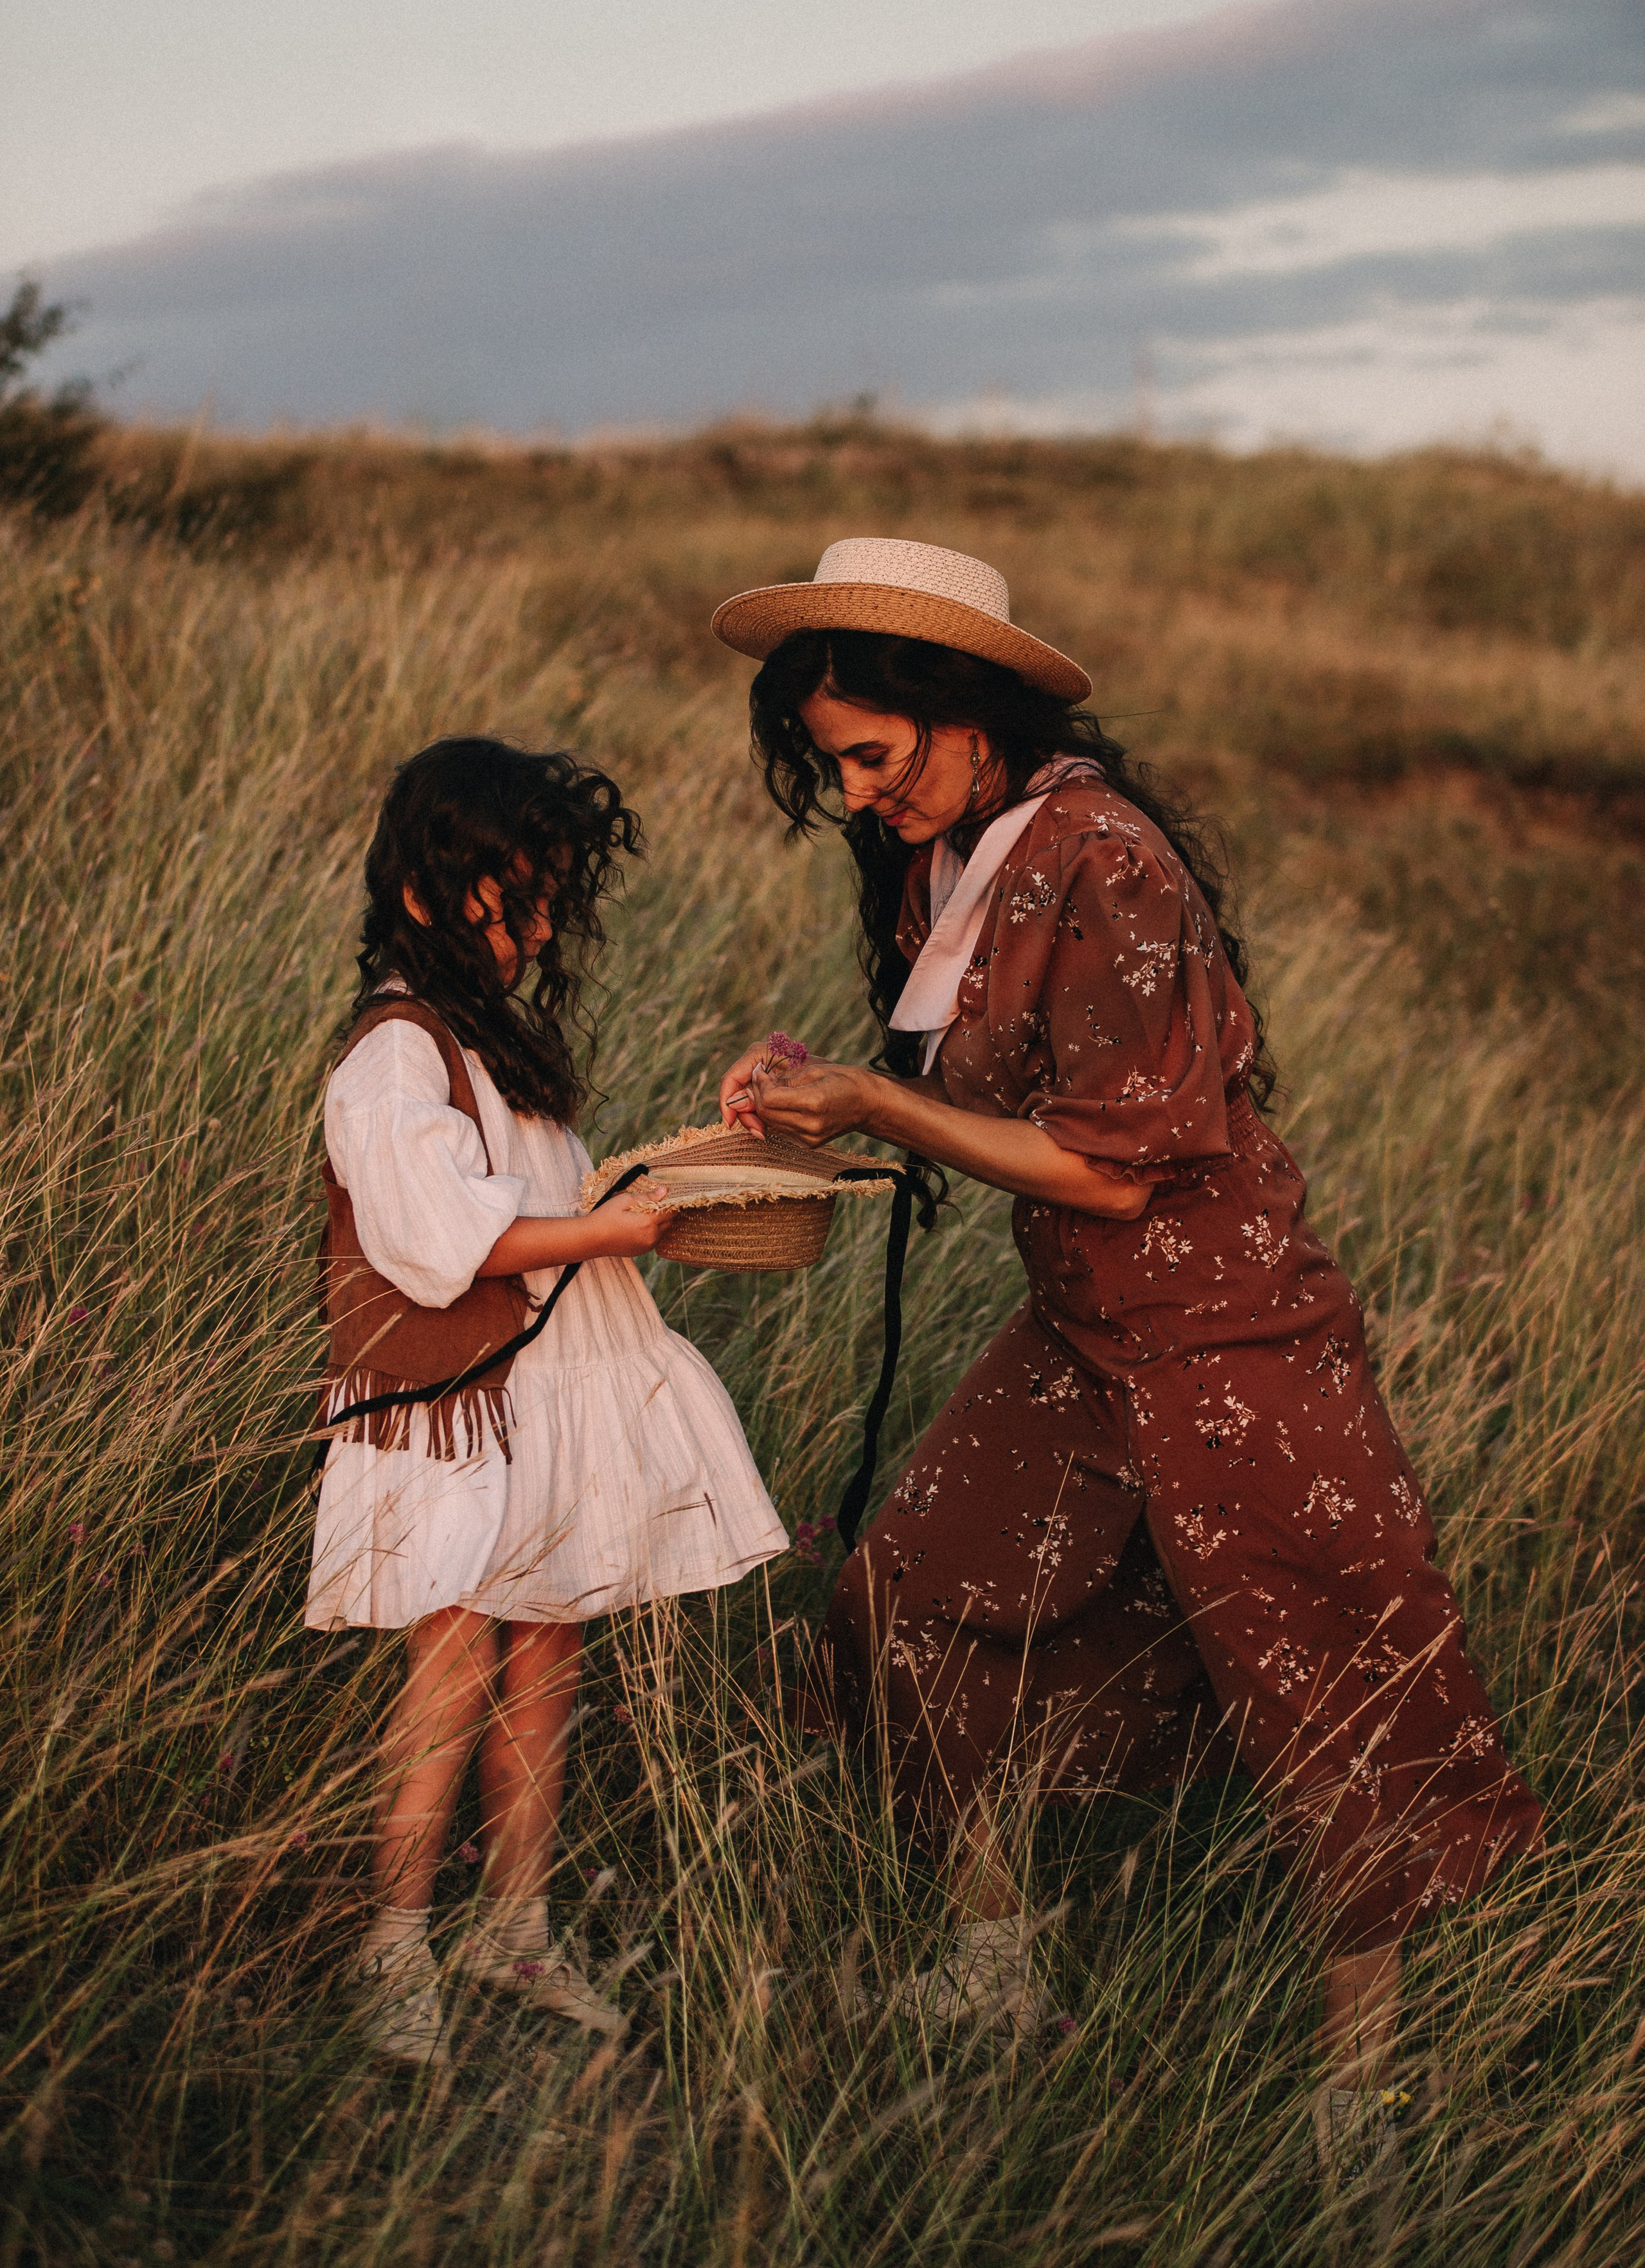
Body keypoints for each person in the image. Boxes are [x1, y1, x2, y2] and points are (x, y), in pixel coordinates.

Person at [711, 537, 1542, 2154]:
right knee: (910, 1581)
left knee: (1318, 1668)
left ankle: (1351, 2094)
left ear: (965, 713)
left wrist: (882, 1104)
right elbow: (984, 1115)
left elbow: (1111, 1159)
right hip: (1091, 1324)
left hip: (1228, 1329)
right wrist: (825, 1088)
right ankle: (995, 1962)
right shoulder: (945, 857)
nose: (861, 792)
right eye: (835, 769)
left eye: (873, 756)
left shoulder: (1104, 855)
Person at [311, 735, 786, 2068]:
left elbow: (540, 1201)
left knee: (547, 1657)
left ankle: (512, 1929)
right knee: (453, 1668)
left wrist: (677, 1169)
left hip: (552, 1390)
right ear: (424, 891)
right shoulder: (394, 1054)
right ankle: (392, 1941)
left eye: (543, 903)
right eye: (508, 899)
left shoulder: (492, 1041)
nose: (530, 929)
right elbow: (438, 1238)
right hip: (464, 1403)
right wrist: (622, 1231)